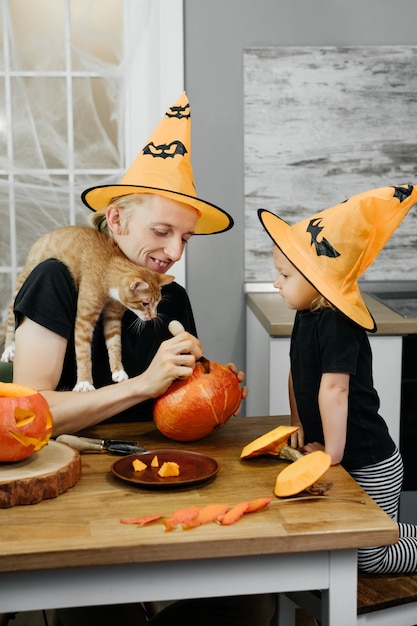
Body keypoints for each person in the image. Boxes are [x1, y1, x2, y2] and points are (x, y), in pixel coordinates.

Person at [5, 93, 275, 626]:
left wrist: (210, 394)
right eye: (162, 231)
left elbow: (177, 412)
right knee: (105, 614)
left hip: (157, 472)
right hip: (75, 481)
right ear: (118, 219)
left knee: (253, 598)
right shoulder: (57, 278)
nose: (175, 251)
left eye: (185, 238)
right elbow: (26, 414)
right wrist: (143, 385)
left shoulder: (167, 294)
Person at [258, 184, 417, 575]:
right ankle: (393, 533)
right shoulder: (306, 314)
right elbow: (298, 373)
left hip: (369, 461)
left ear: (319, 278)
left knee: (370, 556)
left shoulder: (337, 322)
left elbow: (335, 388)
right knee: (355, 541)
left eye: (284, 275)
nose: (277, 283)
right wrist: (297, 424)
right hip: (339, 455)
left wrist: (333, 452)